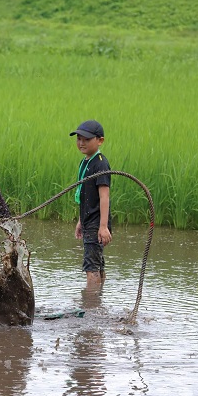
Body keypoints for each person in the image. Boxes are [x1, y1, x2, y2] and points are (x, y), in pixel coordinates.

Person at [69, 120, 112, 287]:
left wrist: (103, 226)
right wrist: (81, 221)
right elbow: (85, 196)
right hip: (88, 220)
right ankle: (98, 301)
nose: (81, 143)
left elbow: (104, 197)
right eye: (79, 139)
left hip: (97, 222)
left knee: (91, 266)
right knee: (97, 263)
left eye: (86, 139)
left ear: (100, 140)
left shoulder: (100, 163)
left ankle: (91, 305)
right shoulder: (85, 162)